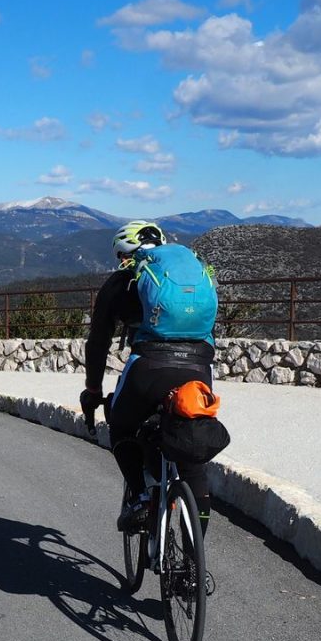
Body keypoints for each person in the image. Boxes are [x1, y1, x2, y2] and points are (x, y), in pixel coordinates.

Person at [80, 220, 217, 538]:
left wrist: (93, 390)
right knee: (191, 450)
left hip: (149, 366)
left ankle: (141, 497)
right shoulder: (193, 277)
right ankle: (193, 565)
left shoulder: (121, 283)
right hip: (199, 366)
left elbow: (98, 342)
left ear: (126, 254)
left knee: (121, 422)